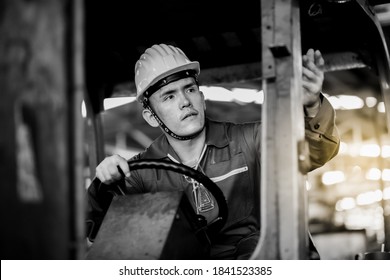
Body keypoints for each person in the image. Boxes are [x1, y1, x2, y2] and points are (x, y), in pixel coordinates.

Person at [86, 43, 340, 259]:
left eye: (189, 89)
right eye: (169, 97)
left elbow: (315, 151)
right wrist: (103, 185)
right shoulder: (140, 173)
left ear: (202, 97)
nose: (185, 101)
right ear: (151, 117)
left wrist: (312, 106)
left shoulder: (250, 139)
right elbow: (101, 231)